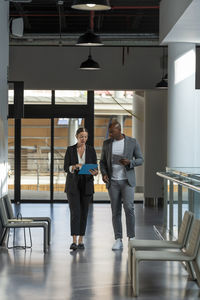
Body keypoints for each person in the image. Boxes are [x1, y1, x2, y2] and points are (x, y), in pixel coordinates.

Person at [100, 121, 143, 250]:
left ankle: (132, 238)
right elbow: (102, 162)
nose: (110, 134)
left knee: (129, 209)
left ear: (119, 130)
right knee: (115, 211)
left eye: (112, 131)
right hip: (112, 182)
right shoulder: (107, 144)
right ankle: (118, 239)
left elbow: (140, 159)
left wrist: (130, 162)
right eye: (109, 131)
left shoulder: (132, 142)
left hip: (127, 181)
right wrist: (104, 174)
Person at [64, 127, 98, 251]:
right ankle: (73, 241)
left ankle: (81, 240)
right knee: (75, 213)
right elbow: (65, 167)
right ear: (76, 136)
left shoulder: (91, 150)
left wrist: (95, 172)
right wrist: (74, 166)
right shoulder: (70, 150)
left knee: (84, 213)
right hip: (73, 184)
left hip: (87, 183)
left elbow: (95, 168)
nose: (84, 139)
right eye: (81, 136)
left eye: (85, 137)